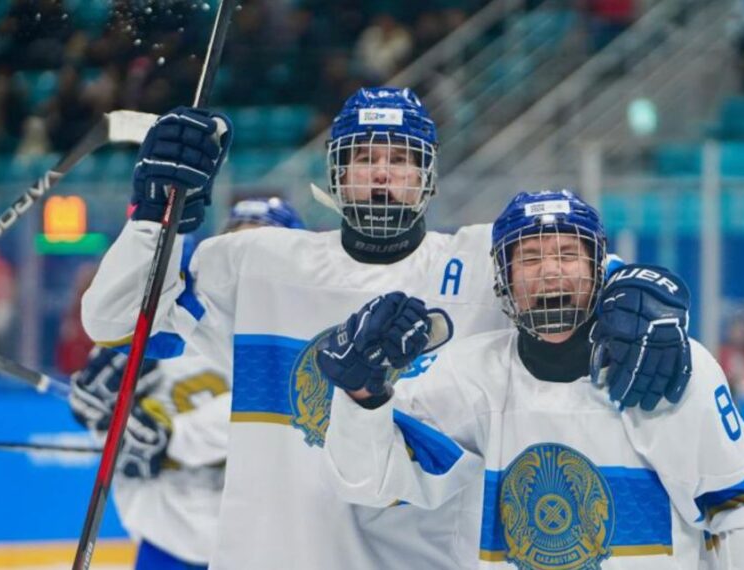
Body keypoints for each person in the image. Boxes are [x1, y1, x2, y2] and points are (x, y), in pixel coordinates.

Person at [81, 89, 688, 568]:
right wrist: (157, 215)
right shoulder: (259, 263)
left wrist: (645, 294)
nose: (380, 175)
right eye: (363, 158)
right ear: (336, 173)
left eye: (399, 159)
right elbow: (112, 320)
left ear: (426, 174)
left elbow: (593, 275)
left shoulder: (479, 264)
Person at [319, 190, 744, 569]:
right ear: (503, 280)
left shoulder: (664, 368)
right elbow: (370, 483)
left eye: (568, 254)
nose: (549, 271)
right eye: (528, 259)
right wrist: (364, 396)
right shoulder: (466, 378)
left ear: (598, 270)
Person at [70, 197, 305, 569]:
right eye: (236, 245)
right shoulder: (183, 319)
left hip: (265, 547)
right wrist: (111, 423)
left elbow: (271, 414)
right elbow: (120, 421)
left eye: (261, 248)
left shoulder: (305, 334)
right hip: (168, 540)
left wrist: (170, 437)